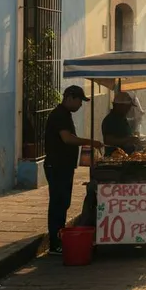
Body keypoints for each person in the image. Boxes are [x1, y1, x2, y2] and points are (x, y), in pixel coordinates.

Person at [43, 85, 101, 254]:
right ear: (69, 98)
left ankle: (59, 239)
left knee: (63, 203)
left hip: (64, 166)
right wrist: (90, 142)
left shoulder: (65, 114)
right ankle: (55, 243)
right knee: (58, 204)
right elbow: (67, 139)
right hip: (57, 166)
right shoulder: (59, 115)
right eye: (79, 101)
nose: (80, 105)